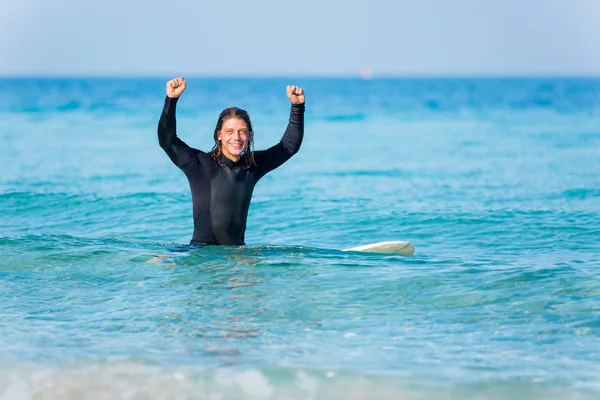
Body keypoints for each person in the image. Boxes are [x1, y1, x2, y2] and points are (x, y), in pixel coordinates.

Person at [157, 77, 305, 246]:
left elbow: (289, 146)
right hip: (201, 254)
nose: (236, 137)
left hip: (236, 256)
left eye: (242, 132)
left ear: (250, 136)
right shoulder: (199, 164)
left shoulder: (252, 166)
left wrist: (297, 107)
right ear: (218, 135)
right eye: (229, 131)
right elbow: (167, 141)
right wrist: (171, 100)